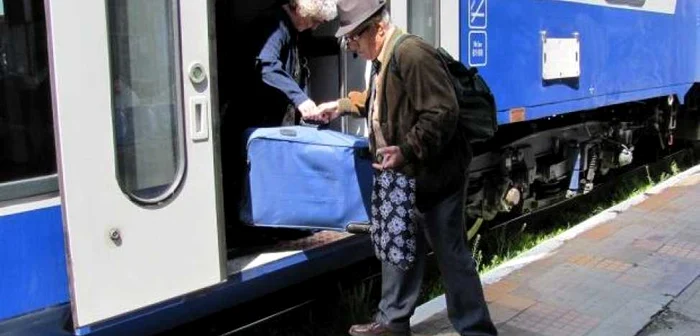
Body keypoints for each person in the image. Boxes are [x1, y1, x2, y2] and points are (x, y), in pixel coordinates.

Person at [312, 1, 498, 335]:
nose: (351, 46)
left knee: (452, 260)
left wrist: (407, 150)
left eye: (353, 38)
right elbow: (377, 97)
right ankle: (393, 323)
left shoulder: (412, 54)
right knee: (397, 252)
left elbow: (442, 112)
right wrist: (338, 107)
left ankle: (476, 330)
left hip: (436, 178)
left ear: (377, 28)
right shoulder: (384, 58)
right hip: (406, 177)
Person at [219, 0, 337, 246]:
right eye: (315, 20)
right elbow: (267, 65)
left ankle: (273, 228)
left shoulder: (289, 29)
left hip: (260, 120)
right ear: (300, 10)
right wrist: (300, 100)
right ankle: (256, 232)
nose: (314, 27)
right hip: (252, 118)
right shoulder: (274, 25)